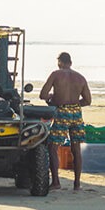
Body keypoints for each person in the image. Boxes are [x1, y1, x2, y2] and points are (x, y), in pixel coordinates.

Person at [40, 52, 92, 190]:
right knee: (76, 148)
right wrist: (74, 104)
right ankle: (77, 184)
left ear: (60, 62)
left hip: (61, 112)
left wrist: (51, 99)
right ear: (71, 62)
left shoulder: (56, 74)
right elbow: (88, 100)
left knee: (53, 147)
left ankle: (56, 181)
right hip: (76, 113)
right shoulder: (80, 78)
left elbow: (42, 95)